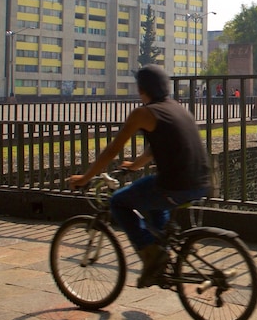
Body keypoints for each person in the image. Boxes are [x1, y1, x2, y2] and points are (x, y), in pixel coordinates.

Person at [67, 65, 210, 288]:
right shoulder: (177, 108)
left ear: (142, 89)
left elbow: (112, 150)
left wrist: (85, 178)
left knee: (118, 201)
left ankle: (151, 254)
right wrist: (134, 165)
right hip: (201, 182)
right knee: (153, 200)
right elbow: (154, 150)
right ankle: (165, 248)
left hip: (175, 185)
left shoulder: (144, 113)